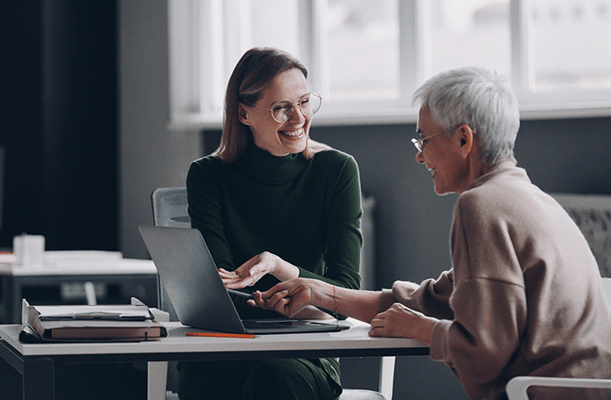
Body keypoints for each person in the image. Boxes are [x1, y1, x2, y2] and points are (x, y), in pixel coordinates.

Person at [251, 67, 611, 400]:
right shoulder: (526, 198)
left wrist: (424, 330)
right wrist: (321, 293)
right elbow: (436, 299)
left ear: (464, 139)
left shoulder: (482, 205)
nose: (420, 157)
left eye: (423, 139)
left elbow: (485, 354)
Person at [181, 47, 363, 400]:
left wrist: (281, 269)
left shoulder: (337, 170)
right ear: (243, 114)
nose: (299, 119)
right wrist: (291, 301)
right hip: (225, 350)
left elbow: (345, 293)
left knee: (275, 377)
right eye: (281, 108)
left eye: (305, 102)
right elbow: (216, 294)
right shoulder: (207, 175)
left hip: (303, 352)